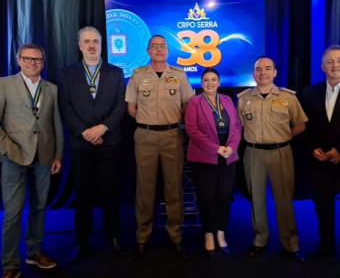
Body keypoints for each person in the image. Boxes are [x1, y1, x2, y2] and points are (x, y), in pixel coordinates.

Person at [58, 26, 126, 262]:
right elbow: (65, 106)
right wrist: (85, 132)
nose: (91, 45)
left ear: (101, 44)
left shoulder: (116, 72)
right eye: (86, 41)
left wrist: (102, 128)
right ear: (80, 46)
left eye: (95, 41)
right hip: (81, 143)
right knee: (83, 195)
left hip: (110, 142)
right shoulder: (67, 73)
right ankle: (81, 240)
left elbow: (120, 106)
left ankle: (113, 238)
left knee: (111, 193)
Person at [125, 34, 194, 260]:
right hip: (145, 137)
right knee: (145, 189)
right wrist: (149, 123)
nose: (159, 49)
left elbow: (187, 106)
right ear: (147, 51)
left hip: (172, 136)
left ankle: (175, 235)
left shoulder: (179, 75)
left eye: (162, 46)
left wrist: (169, 122)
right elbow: (132, 109)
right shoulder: (137, 76)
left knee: (174, 187)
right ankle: (143, 236)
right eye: (154, 46)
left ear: (168, 50)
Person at [0, 43, 64, 278]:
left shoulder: (52, 89)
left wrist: (58, 154)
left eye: (37, 59)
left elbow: (57, 124)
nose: (32, 62)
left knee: (39, 208)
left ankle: (34, 252)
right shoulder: (4, 84)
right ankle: (10, 263)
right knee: (13, 214)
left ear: (43, 63)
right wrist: (5, 150)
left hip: (44, 157)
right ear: (19, 60)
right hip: (14, 157)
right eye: (27, 58)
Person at [237, 56, 308, 263]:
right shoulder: (243, 99)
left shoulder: (288, 98)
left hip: (281, 152)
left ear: (275, 73)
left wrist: (283, 138)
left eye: (268, 69)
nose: (263, 73)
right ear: (253, 74)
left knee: (284, 199)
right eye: (259, 69)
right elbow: (236, 128)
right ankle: (260, 240)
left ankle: (290, 243)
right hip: (253, 153)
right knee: (256, 200)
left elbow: (300, 125)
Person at [185, 68, 242, 259]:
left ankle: (221, 233)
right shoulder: (194, 102)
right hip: (204, 158)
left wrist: (231, 148)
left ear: (219, 82)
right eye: (206, 80)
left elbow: (236, 126)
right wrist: (216, 148)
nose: (210, 83)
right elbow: (192, 130)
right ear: (202, 84)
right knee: (206, 197)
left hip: (228, 156)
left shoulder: (227, 100)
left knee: (225, 196)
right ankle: (208, 233)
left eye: (214, 79)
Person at [299, 45, 340, 257]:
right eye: (330, 62)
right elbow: (302, 129)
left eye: (339, 61)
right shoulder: (308, 93)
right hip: (320, 161)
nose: (335, 65)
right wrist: (312, 148)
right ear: (322, 66)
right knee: (323, 207)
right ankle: (327, 245)